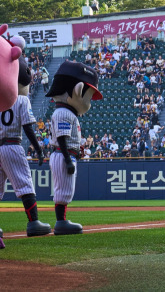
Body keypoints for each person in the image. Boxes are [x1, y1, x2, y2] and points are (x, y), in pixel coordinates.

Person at [46, 60, 103, 235]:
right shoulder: (63, 112)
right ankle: (61, 222)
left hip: (66, 154)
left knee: (65, 188)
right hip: (63, 155)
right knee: (63, 189)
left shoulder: (66, 112)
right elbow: (62, 139)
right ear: (78, 90)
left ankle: (61, 220)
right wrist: (67, 159)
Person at [0, 56, 52, 240]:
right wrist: (38, 149)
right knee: (24, 184)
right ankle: (34, 222)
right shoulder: (21, 100)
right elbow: (28, 127)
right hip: (12, 145)